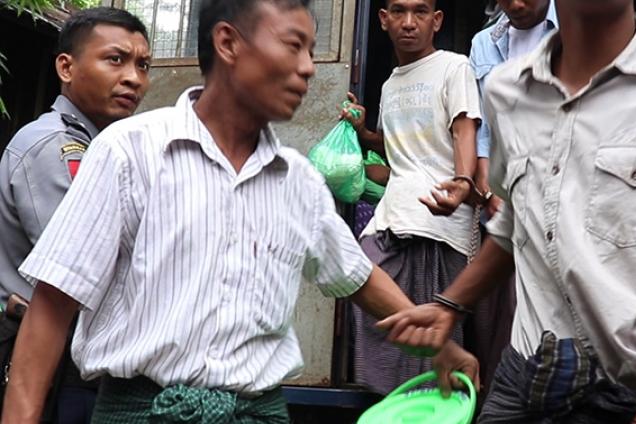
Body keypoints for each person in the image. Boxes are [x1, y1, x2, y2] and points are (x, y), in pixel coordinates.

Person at [1, 1, 478, 422]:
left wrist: (437, 343)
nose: (308, 68)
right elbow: (52, 306)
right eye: (292, 46)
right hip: (143, 412)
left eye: (311, 51)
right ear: (228, 43)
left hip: (257, 413)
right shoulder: (129, 152)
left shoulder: (298, 181)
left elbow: (355, 275)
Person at [379, 0, 636, 422]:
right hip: (524, 377)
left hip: (635, 391)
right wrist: (450, 304)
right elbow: (514, 222)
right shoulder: (508, 90)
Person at [0, 7, 150, 422]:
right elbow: (88, 270)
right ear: (66, 67)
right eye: (115, 59)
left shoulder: (103, 149)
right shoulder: (55, 147)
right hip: (45, 360)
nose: (133, 78)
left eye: (143, 65)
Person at [340, 0, 482, 395]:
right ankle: (393, 411)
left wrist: (463, 181)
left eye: (420, 12)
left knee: (430, 345)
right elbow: (396, 151)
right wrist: (362, 134)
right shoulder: (389, 84)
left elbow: (463, 129)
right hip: (392, 217)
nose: (408, 23)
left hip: (438, 222)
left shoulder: (454, 67)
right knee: (383, 325)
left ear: (436, 21)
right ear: (383, 20)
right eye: (399, 12)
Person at [465, 0, 558, 392]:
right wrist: (490, 191)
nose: (516, 4)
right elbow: (483, 131)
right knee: (500, 311)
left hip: (557, 194)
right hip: (503, 194)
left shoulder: (573, 31)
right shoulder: (484, 43)